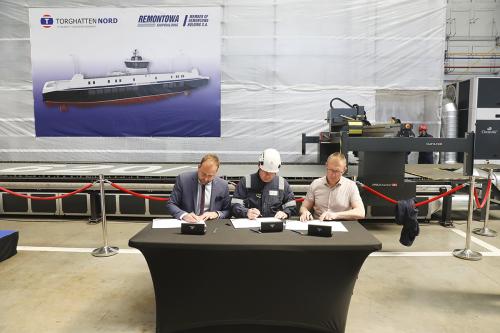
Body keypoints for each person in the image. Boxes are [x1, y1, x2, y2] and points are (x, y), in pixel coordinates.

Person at [231, 148, 297, 219]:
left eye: (271, 173)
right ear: (259, 165)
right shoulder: (246, 182)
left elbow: (291, 206)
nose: (268, 176)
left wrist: (285, 213)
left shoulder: (282, 184)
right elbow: (235, 205)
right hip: (250, 223)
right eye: (265, 172)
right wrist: (246, 212)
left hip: (274, 225)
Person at [299, 152, 365, 221]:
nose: (333, 175)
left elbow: (361, 212)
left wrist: (336, 215)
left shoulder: (350, 186)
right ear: (326, 165)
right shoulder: (316, 184)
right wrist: (305, 212)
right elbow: (304, 207)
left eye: (337, 171)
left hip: (343, 224)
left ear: (344, 170)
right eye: (330, 170)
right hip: (319, 224)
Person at [166, 154, 231, 222]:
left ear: (216, 173)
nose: (206, 179)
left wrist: (216, 214)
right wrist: (184, 215)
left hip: (211, 224)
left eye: (210, 176)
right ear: (199, 167)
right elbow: (171, 204)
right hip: (188, 222)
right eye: (203, 174)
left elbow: (228, 211)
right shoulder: (183, 180)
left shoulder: (223, 185)